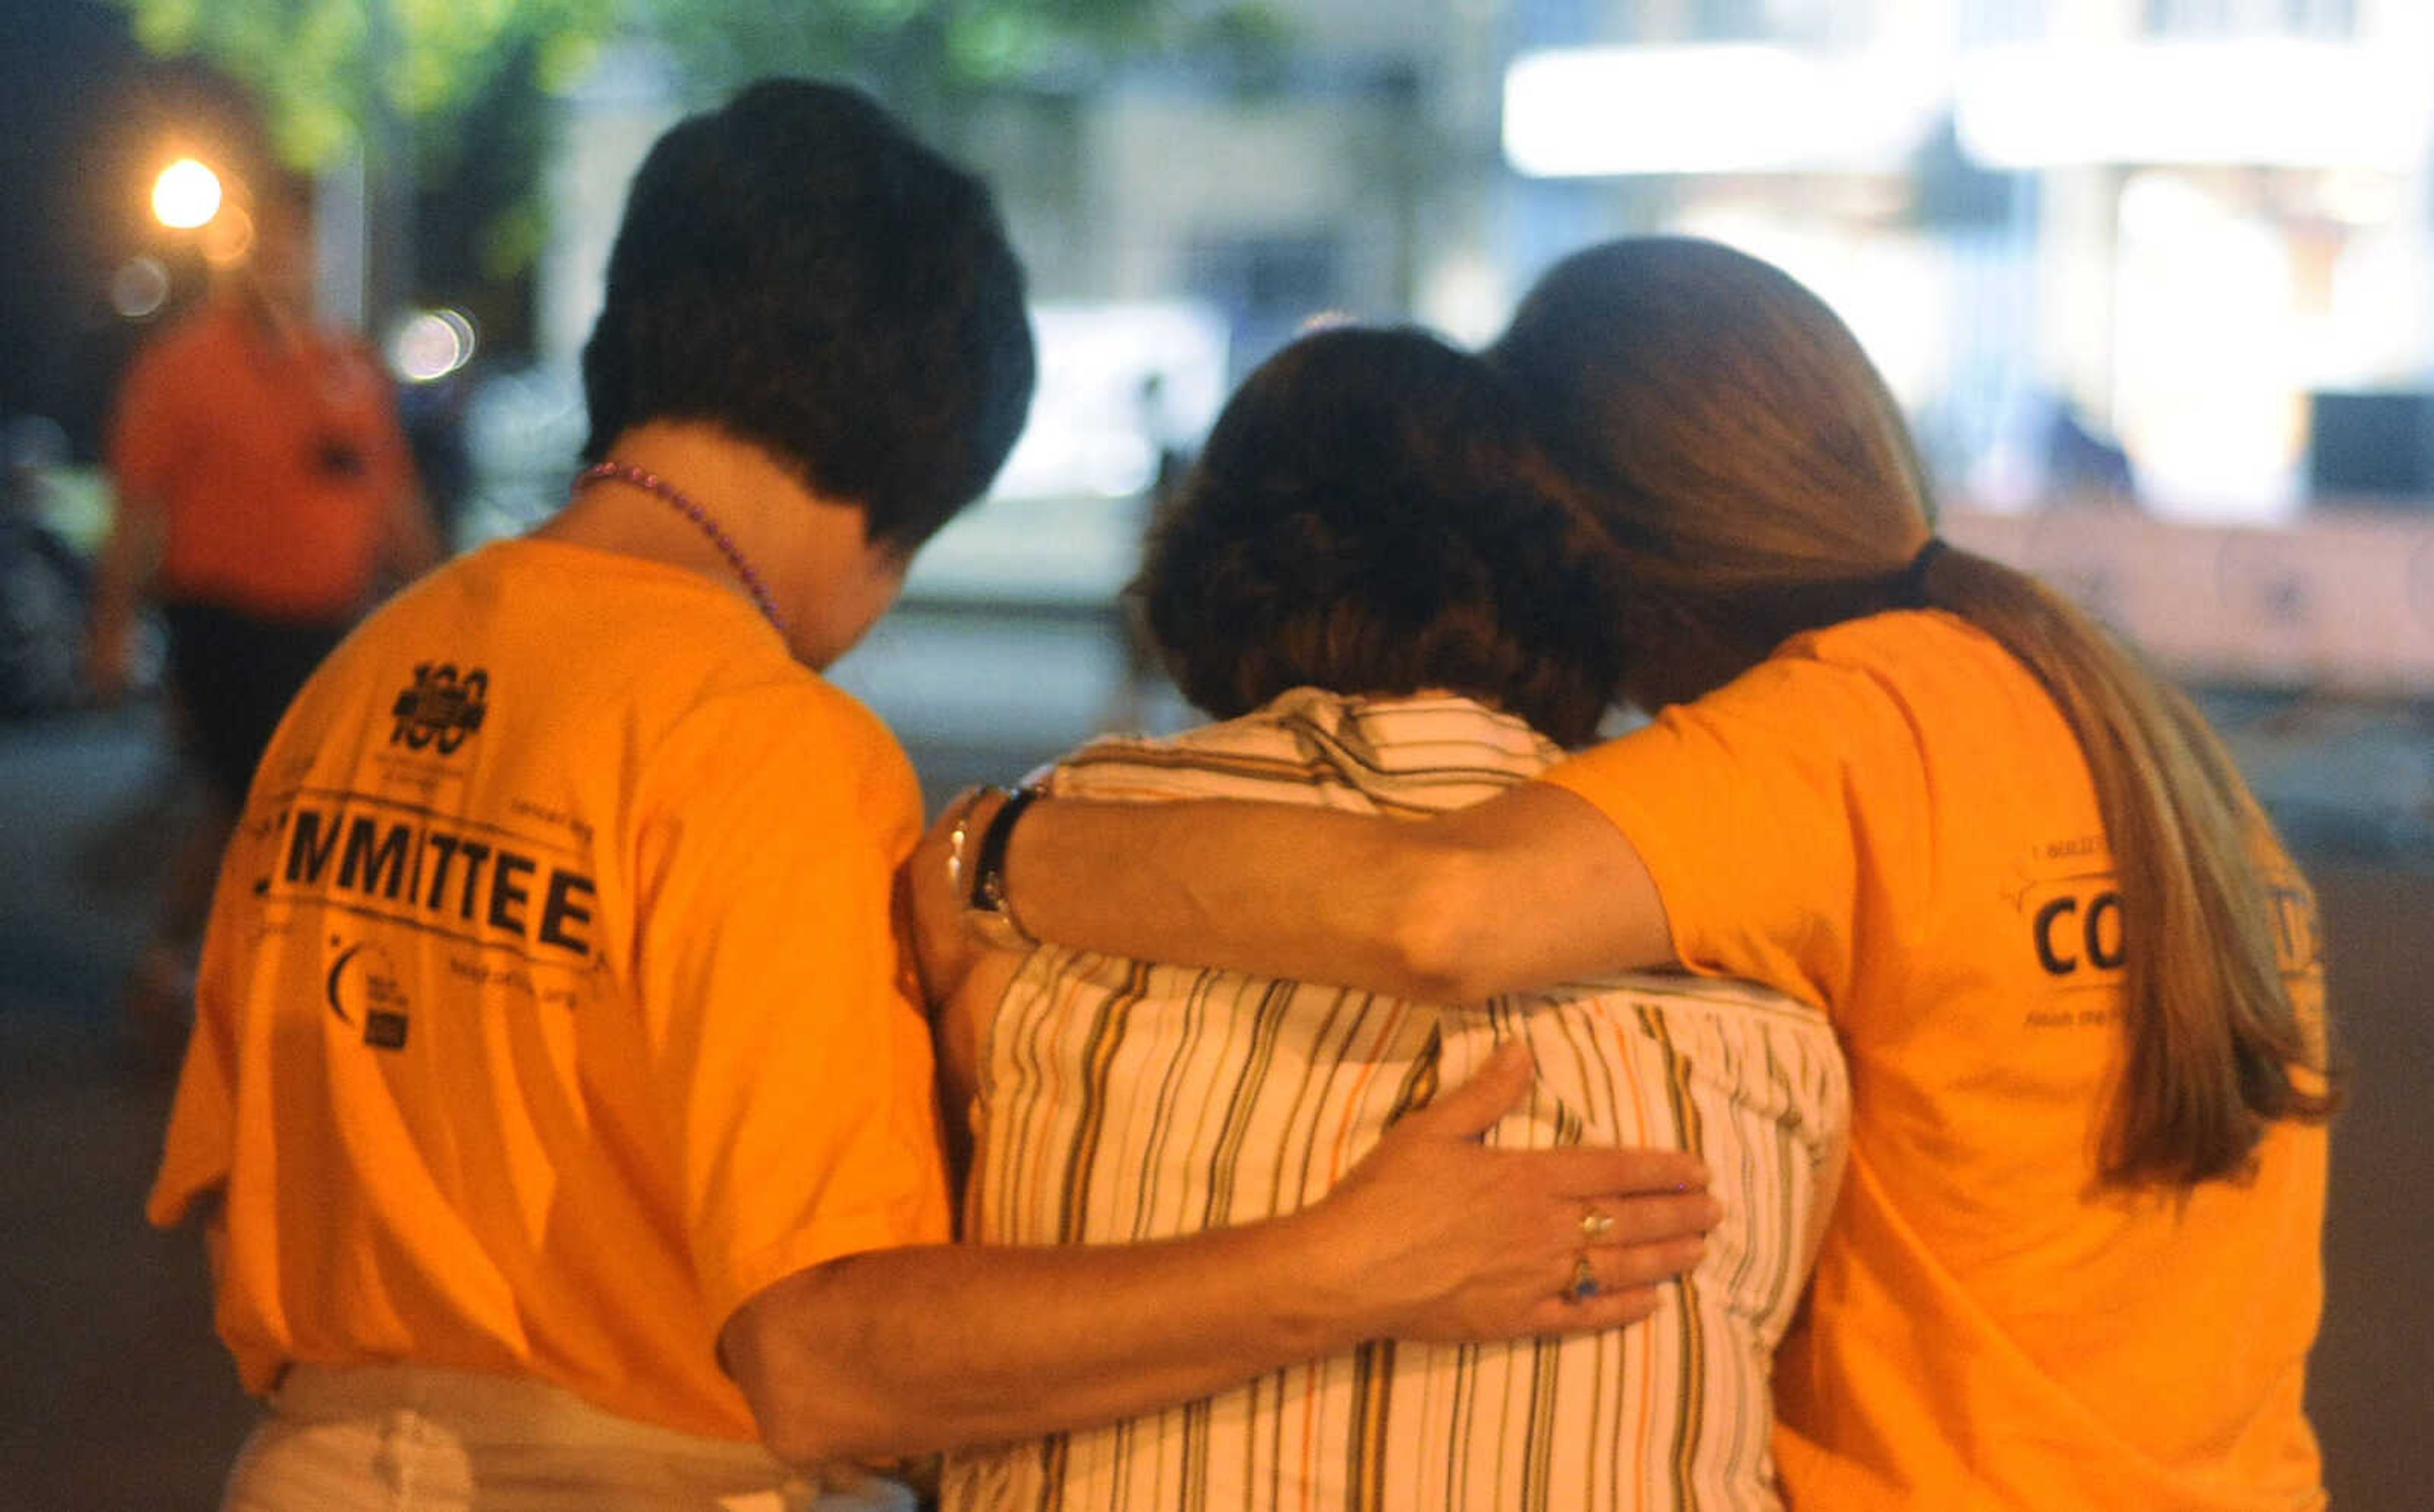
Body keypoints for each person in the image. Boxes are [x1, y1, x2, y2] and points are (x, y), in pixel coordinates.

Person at [145, 84, 1718, 1512]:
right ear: (913, 463)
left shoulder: (362, 677)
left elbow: (230, 1199)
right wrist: (1348, 1263)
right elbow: (834, 1358)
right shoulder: (758, 735)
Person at [925, 238, 2340, 1511]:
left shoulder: (1839, 732)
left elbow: (1441, 908)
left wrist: (999, 852)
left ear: (1592, 544)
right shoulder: (2124, 729)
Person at [927, 325, 1850, 1511]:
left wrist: (990, 856)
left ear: (1206, 562)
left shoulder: (1023, 902)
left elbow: (884, 1370)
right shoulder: (1766, 996)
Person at [91, 176, 442, 1055]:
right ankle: (243, 984)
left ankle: (180, 961)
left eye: (301, 245)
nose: (285, 261)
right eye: (271, 243)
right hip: (222, 624)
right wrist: (112, 624)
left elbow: (391, 494)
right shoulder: (184, 365)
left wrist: (446, 599)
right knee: (263, 795)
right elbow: (137, 506)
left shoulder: (347, 365)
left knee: (246, 805)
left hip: (326, 630)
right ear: (241, 250)